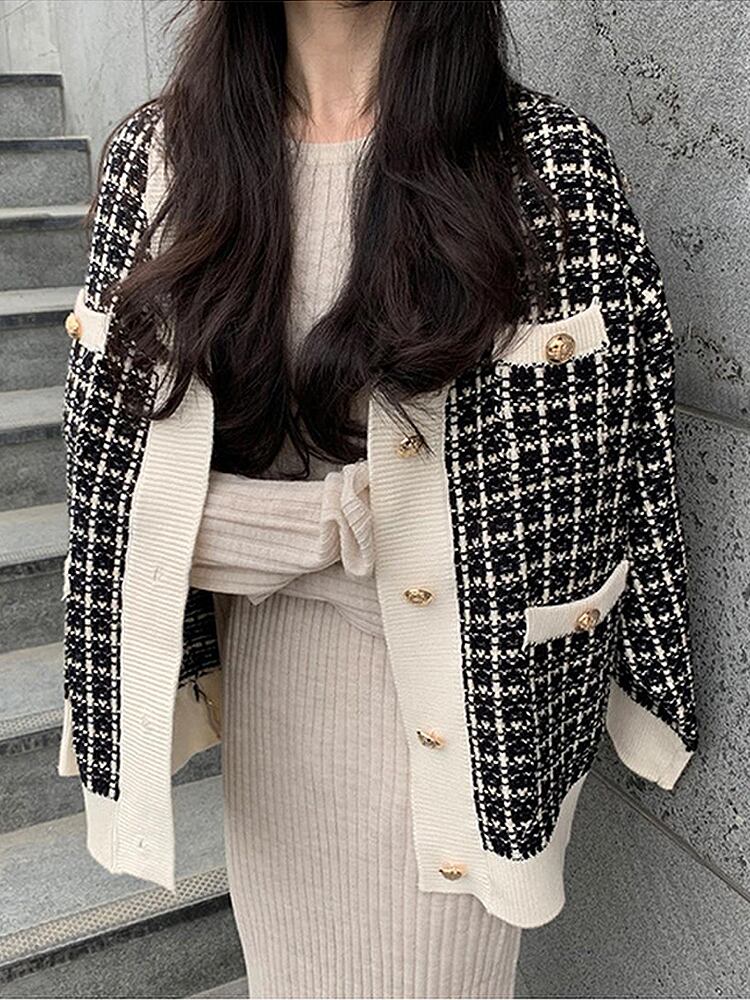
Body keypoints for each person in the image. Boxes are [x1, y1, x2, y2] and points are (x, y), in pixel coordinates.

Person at [58, 1, 699, 997]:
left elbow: (618, 471)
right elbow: (116, 500)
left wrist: (248, 521)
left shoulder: (546, 164)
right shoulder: (161, 161)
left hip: (471, 738)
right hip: (276, 732)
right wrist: (345, 521)